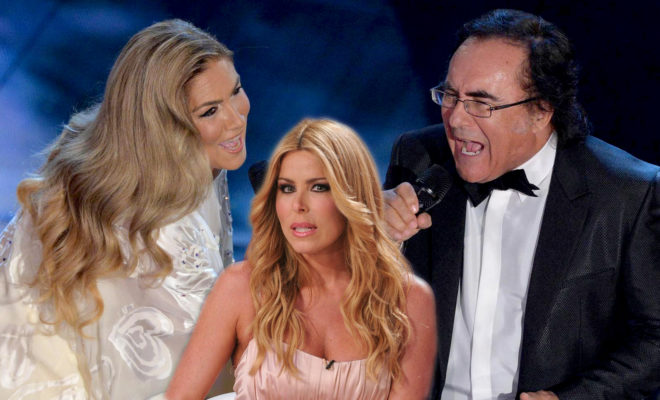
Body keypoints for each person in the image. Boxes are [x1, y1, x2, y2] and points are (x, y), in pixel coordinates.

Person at [383, 8, 660, 400]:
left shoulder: (628, 193)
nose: (456, 119)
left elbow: (654, 340)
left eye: (481, 103)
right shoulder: (418, 158)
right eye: (450, 95)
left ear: (540, 111)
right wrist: (372, 240)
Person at [0, 19, 249, 399]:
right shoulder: (161, 222)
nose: (236, 118)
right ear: (165, 127)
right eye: (209, 111)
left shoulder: (122, 147)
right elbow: (198, 375)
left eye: (236, 90)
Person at [166, 118, 437, 399]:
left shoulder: (410, 301)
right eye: (286, 188)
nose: (298, 205)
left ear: (354, 199)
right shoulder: (240, 287)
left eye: (318, 187)